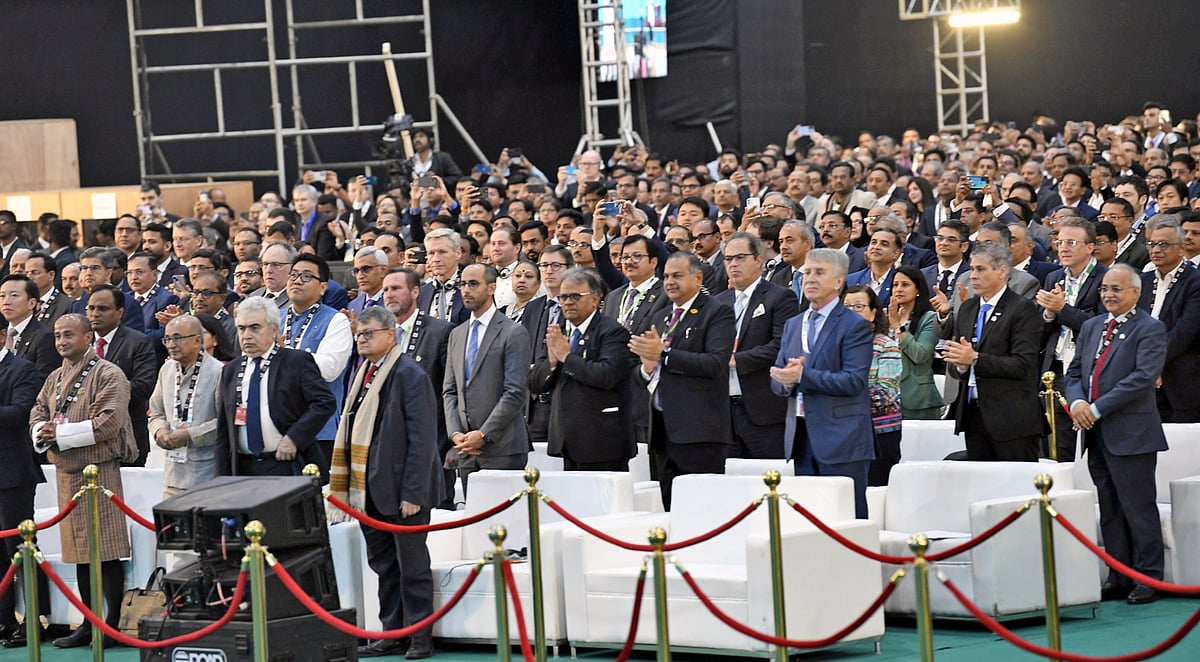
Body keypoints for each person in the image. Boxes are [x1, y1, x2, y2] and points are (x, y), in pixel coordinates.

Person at [330, 306, 441, 660]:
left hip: (402, 490)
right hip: (369, 487)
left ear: (391, 335)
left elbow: (422, 439)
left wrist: (412, 492)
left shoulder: (409, 373)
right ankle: (392, 631)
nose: (361, 339)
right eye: (359, 334)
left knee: (412, 567)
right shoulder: (361, 371)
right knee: (384, 565)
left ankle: (420, 637)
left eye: (369, 334)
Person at [31, 314, 138, 648]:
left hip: (98, 471)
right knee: (79, 552)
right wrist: (41, 431)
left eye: (68, 335)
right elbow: (37, 410)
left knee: (105, 551)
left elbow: (109, 422)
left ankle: (112, 623)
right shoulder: (54, 376)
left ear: (88, 336)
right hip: (65, 471)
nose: (62, 342)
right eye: (58, 336)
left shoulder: (109, 373)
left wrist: (58, 432)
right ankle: (89, 623)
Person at [1065, 264, 1168, 605]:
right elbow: (1075, 371)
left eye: (1116, 289)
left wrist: (1094, 410)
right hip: (1095, 434)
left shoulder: (1150, 329)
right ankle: (1118, 576)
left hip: (1132, 434)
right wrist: (1078, 401)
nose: (1108, 294)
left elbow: (1141, 379)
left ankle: (1149, 578)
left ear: (1135, 293)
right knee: (1109, 508)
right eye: (1105, 288)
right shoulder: (1092, 325)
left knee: (1138, 509)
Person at [771, 248, 874, 517]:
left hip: (842, 440)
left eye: (819, 272)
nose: (810, 279)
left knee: (846, 519)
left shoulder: (854, 325)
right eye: (807, 272)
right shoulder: (793, 324)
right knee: (809, 521)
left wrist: (803, 377)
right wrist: (783, 381)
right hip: (801, 437)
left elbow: (854, 381)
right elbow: (784, 377)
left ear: (839, 281)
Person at [630, 252, 735, 509]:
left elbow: (714, 364)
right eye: (666, 276)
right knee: (668, 507)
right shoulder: (659, 316)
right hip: (662, 431)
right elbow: (646, 368)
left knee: (701, 509)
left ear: (698, 277)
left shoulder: (717, 312)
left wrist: (663, 355)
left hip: (699, 433)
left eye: (677, 275)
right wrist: (647, 368)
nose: (669, 282)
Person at [942, 243, 1043, 461]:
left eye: (981, 269)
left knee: (1014, 489)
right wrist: (960, 365)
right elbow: (962, 358)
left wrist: (975, 359)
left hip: (1011, 420)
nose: (973, 276)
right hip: (973, 415)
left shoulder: (1022, 309)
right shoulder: (968, 308)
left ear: (1002, 271)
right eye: (971, 269)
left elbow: (1023, 365)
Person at [214, 297, 336, 477]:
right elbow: (224, 430)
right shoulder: (230, 370)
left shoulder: (295, 361)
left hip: (286, 464)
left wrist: (295, 438)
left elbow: (324, 403)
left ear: (274, 330)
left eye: (255, 328)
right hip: (243, 468)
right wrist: (221, 478)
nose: (246, 335)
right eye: (241, 328)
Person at [530, 268, 635, 470]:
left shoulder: (612, 331)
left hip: (603, 441)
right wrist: (552, 363)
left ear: (595, 299)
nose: (568, 302)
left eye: (575, 296)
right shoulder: (558, 331)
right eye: (563, 297)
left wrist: (566, 358)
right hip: (567, 440)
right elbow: (534, 383)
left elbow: (606, 375)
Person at [443, 264, 531, 491]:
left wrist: (484, 434)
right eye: (463, 284)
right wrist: (456, 434)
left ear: (492, 287)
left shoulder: (513, 332)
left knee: (505, 523)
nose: (466, 290)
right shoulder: (457, 333)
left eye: (473, 284)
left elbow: (515, 392)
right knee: (473, 521)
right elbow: (450, 390)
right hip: (466, 449)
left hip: (504, 447)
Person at [715, 233, 798, 459]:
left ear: (758, 260)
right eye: (728, 258)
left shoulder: (780, 297)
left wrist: (735, 360)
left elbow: (780, 345)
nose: (733, 264)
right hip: (723, 410)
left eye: (740, 257)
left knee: (768, 480)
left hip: (763, 408)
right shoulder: (718, 302)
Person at [382, 268, 454, 509]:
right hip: (387, 451)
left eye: (395, 288)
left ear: (415, 292)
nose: (389, 294)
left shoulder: (440, 331)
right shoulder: (380, 335)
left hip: (430, 447)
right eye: (385, 290)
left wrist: (447, 445)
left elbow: (448, 390)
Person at [1037, 218, 1107, 459]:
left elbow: (1102, 326)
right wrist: (1048, 313)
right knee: (1054, 442)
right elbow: (1043, 328)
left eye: (1071, 242)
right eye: (1059, 242)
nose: (1063, 248)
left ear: (1090, 247)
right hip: (1054, 368)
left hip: (1089, 369)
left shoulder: (1106, 278)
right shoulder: (1053, 277)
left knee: (1089, 443)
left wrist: (1062, 309)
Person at [0, 314, 50, 648]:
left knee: (19, 546)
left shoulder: (22, 369)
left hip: (12, 473)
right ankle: (4, 619)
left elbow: (19, 413)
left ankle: (38, 617)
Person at [281, 255, 352, 477]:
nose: (297, 280)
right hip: (278, 426)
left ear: (323, 287)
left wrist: (282, 354)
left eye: (306, 276)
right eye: (293, 274)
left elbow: (329, 368)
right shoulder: (273, 318)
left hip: (320, 430)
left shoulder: (336, 321)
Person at [84, 284, 159, 467]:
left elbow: (143, 386)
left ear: (119, 312)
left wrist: (100, 394)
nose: (95, 313)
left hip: (125, 437)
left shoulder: (138, 342)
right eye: (91, 308)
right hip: (85, 438)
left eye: (103, 308)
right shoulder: (81, 341)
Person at [147, 315, 222, 497]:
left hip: (206, 473)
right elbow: (155, 412)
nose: (171, 344)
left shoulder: (218, 371)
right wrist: (160, 431)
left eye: (177, 338)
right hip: (173, 472)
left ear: (197, 340)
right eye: (167, 339)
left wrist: (189, 434)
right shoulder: (167, 370)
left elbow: (225, 422)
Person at [1137, 216, 1200, 423]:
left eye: (1163, 244)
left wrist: (1153, 363)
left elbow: (1185, 331)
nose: (1156, 249)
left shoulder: (1194, 281)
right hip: (1143, 381)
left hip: (1181, 380)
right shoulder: (1142, 281)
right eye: (1152, 244)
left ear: (1181, 249)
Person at [843, 285, 902, 486]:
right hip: (844, 431)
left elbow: (887, 393)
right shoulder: (834, 345)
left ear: (873, 313)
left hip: (879, 433)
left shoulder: (886, 345)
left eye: (858, 306)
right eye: (846, 306)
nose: (851, 312)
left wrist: (840, 395)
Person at [888, 265, 943, 419]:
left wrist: (899, 327)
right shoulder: (888, 317)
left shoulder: (929, 318)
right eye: (895, 285)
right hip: (888, 397)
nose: (899, 289)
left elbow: (920, 355)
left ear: (918, 289)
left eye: (905, 285)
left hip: (918, 400)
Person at [0, 274, 60, 381]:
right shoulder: (3, 333)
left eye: (14, 296)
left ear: (32, 303)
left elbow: (42, 380)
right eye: (2, 296)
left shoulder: (45, 337)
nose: (6, 302)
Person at [418, 228, 470, 324]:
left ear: (458, 253)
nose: (436, 259)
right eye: (431, 253)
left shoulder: (472, 287)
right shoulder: (422, 292)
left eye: (442, 252)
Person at [26, 252, 73, 327]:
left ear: (51, 275)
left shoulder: (68, 305)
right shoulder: (22, 303)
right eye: (26, 273)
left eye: (34, 272)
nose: (29, 277)